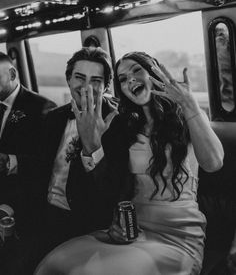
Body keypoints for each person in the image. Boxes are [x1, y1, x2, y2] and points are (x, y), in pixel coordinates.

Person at [35, 51, 224, 275]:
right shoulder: (121, 126)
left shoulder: (187, 114)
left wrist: (188, 103)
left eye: (136, 71)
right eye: (123, 79)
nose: (130, 80)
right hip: (133, 229)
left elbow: (213, 162)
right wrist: (92, 146)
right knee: (54, 263)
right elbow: (110, 187)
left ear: (154, 73)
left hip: (178, 233)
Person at [8, 47, 123, 275]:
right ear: (69, 80)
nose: (86, 86)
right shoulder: (54, 117)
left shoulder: (118, 124)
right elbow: (42, 165)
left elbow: (113, 191)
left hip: (84, 225)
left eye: (96, 80)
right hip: (42, 215)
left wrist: (93, 146)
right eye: (79, 77)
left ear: (107, 86)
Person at [0, 52, 56, 233]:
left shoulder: (42, 108)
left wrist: (9, 161)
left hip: (21, 200)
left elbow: (46, 163)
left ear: (13, 75)